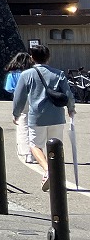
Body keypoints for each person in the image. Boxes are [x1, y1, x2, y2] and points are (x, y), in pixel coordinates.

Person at [12, 43, 74, 191]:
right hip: (57, 116)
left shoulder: (26, 75)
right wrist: (71, 109)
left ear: (32, 58)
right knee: (56, 146)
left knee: (35, 145)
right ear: (48, 57)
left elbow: (19, 98)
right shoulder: (58, 74)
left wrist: (16, 114)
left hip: (37, 116)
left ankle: (48, 170)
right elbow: (68, 94)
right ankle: (57, 175)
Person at [4, 51, 36, 162]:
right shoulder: (32, 72)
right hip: (34, 98)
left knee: (23, 126)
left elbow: (9, 88)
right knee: (35, 127)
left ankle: (27, 153)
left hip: (21, 99)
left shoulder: (12, 74)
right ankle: (36, 151)